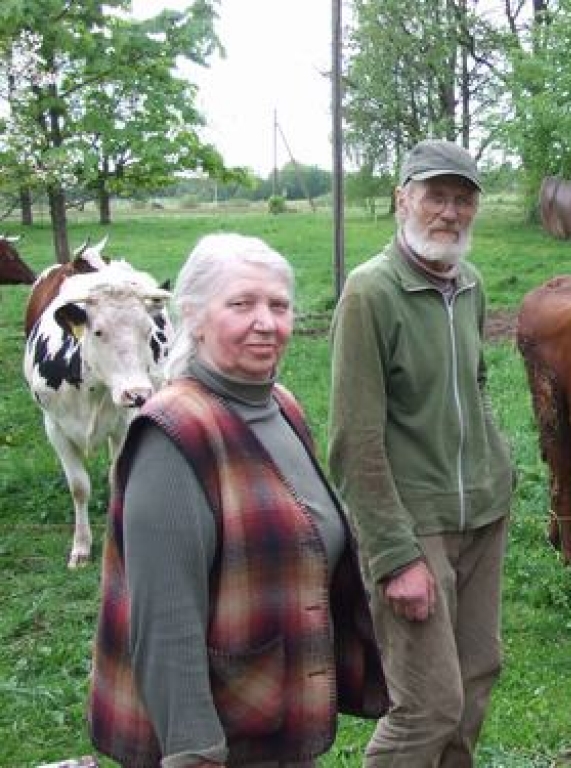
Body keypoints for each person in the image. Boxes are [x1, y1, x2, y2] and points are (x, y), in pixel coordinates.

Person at [87, 233, 387, 767]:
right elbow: (166, 624)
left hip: (273, 720)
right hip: (222, 737)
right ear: (194, 318)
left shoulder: (282, 406)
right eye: (241, 304)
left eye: (279, 305)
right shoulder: (173, 434)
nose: (266, 322)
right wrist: (195, 753)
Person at [327, 139, 516, 767]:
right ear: (402, 198)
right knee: (428, 704)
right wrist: (394, 555)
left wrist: (498, 464)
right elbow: (354, 441)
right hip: (416, 525)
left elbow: (477, 382)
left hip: (483, 515)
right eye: (436, 195)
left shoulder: (471, 285)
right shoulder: (370, 294)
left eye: (463, 200)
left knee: (475, 681)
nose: (449, 213)